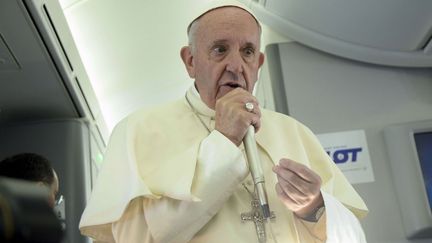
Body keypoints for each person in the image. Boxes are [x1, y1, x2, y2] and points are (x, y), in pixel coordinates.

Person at [79, 1, 368, 243]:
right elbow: (134, 239)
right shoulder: (138, 130)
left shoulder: (295, 132)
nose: (235, 65)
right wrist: (223, 143)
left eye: (247, 52)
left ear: (259, 63)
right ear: (190, 61)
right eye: (219, 49)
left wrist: (313, 208)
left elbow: (351, 234)